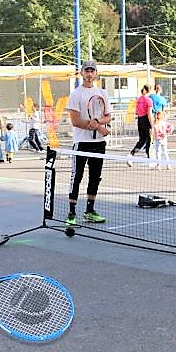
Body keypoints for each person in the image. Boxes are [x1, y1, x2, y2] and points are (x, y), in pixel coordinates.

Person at [65, 59, 111, 226]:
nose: (89, 74)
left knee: (95, 177)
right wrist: (99, 127)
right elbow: (76, 121)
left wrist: (98, 121)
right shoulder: (76, 94)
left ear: (96, 73)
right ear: (81, 73)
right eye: (87, 71)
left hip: (99, 144)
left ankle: (90, 210)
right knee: (76, 177)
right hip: (81, 143)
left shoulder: (103, 93)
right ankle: (71, 213)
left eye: (92, 71)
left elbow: (108, 116)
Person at [127, 84, 154, 162]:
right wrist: (152, 124)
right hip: (146, 119)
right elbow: (149, 113)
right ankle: (149, 157)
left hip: (140, 119)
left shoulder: (139, 99)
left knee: (142, 139)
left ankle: (131, 154)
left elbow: (136, 112)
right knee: (149, 139)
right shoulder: (149, 100)